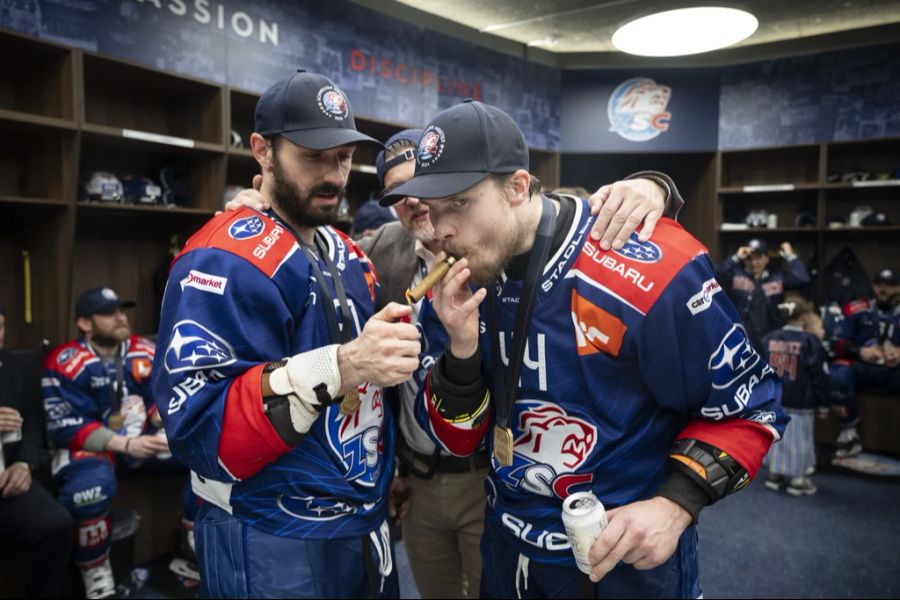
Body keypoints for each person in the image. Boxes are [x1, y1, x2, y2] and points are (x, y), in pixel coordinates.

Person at [231, 128, 688, 599]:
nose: (417, 204)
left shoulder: (500, 242)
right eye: (399, 195)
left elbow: (554, 212)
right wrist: (260, 213)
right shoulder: (378, 253)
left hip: (492, 473)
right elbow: (316, 263)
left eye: (426, 188)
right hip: (419, 475)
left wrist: (653, 186)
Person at [380, 99, 787, 598]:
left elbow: (752, 408)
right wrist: (461, 352)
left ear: (517, 186)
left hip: (621, 557)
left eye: (460, 203)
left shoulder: (647, 263)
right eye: (434, 208)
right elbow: (460, 442)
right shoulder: (462, 281)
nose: (441, 230)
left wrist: (676, 505)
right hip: (506, 546)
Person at [152, 70, 421, 599]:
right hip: (269, 531)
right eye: (313, 156)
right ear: (263, 151)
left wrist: (384, 465)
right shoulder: (221, 259)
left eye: (343, 157)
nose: (333, 175)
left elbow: (369, 390)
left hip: (362, 521)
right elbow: (199, 428)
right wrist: (338, 367)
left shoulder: (351, 256)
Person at [42, 287, 196, 599]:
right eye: (110, 313)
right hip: (90, 450)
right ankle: (97, 578)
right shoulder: (65, 361)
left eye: (121, 311)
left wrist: (158, 421)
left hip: (140, 443)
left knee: (206, 454)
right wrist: (123, 444)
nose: (120, 317)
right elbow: (65, 426)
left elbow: (163, 398)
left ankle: (190, 543)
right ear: (85, 323)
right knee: (90, 491)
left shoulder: (144, 350)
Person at [0, 315, 74, 599]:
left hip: (8, 481)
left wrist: (24, 464)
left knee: (57, 524)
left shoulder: (13, 368)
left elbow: (33, 424)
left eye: (1, 326)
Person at [828, 268, 900, 457]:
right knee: (836, 373)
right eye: (879, 285)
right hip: (863, 367)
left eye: (890, 285)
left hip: (895, 371)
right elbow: (836, 342)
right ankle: (849, 431)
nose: (883, 290)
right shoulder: (856, 308)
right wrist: (860, 351)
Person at [762, 297, 829, 496]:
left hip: (773, 397)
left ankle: (774, 474)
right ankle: (797, 479)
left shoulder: (769, 337)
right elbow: (818, 375)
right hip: (801, 400)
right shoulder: (811, 341)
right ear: (806, 316)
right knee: (800, 439)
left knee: (775, 435)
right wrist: (824, 403)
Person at [715, 238, 810, 350]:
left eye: (758, 258)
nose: (754, 263)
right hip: (742, 338)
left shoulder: (777, 278)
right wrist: (736, 257)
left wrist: (791, 256)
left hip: (771, 337)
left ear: (766, 258)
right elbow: (715, 275)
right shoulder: (735, 275)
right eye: (749, 259)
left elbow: (802, 278)